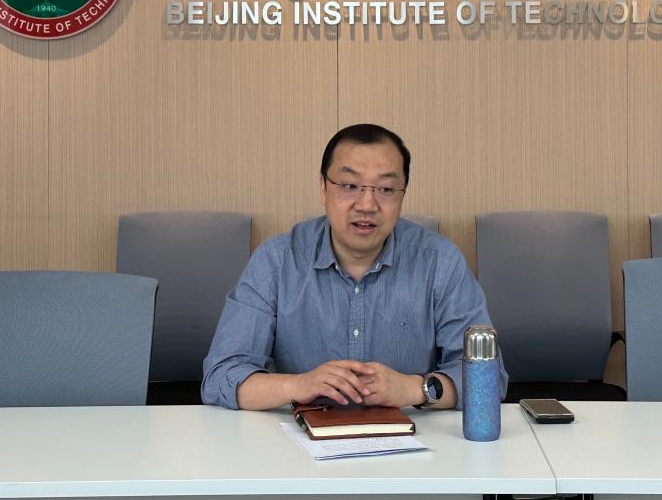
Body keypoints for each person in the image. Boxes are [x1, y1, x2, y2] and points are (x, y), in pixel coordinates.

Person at [201, 123, 507, 410]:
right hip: (298, 440)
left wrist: (413, 389)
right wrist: (298, 385)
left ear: (402, 195)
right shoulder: (277, 261)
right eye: (350, 185)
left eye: (386, 189)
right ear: (323, 188)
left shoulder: (439, 261)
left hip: (413, 439)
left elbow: (490, 380)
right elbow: (220, 377)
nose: (367, 204)